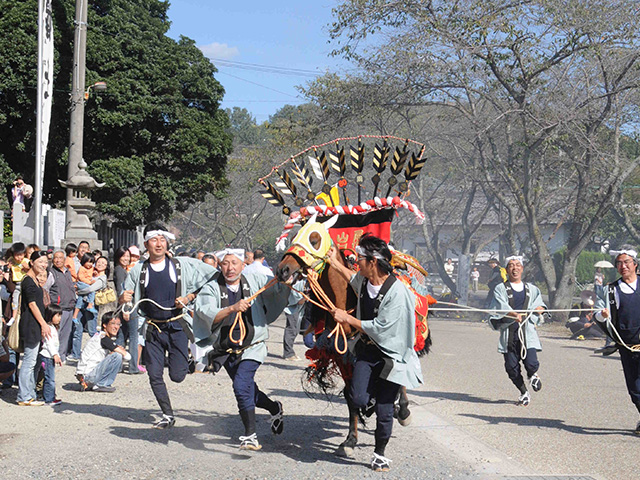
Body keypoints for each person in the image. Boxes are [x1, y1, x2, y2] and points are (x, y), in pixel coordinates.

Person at [327, 234, 424, 472]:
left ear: (373, 262)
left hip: (391, 358)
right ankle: (382, 404)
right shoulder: (365, 281)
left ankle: (379, 453)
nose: (356, 262)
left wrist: (347, 318)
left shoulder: (397, 293)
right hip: (368, 353)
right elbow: (352, 279)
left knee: (383, 411)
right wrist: (335, 264)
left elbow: (381, 328)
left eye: (360, 259)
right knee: (358, 398)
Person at [120, 222, 216, 428]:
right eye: (154, 240)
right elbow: (126, 297)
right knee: (154, 375)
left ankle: (187, 361)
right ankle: (168, 414)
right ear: (146, 243)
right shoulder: (138, 270)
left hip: (177, 326)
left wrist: (190, 296)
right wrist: (124, 300)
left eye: (162, 239)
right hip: (153, 329)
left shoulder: (182, 265)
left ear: (167, 242)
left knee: (177, 376)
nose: (159, 244)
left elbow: (213, 276)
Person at [194, 248, 290, 450]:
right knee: (247, 388)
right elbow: (206, 311)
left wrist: (288, 283)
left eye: (234, 263)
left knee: (240, 386)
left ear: (243, 265)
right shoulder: (211, 287)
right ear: (220, 266)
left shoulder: (254, 280)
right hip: (226, 349)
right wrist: (231, 308)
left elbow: (276, 289)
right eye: (225, 263)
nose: (230, 268)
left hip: (252, 346)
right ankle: (274, 407)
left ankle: (250, 435)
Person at [488, 256, 546, 406]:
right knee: (511, 368)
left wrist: (540, 309)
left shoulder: (532, 289)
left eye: (518, 265)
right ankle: (523, 392)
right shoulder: (500, 289)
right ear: (506, 270)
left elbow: (540, 304)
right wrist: (513, 314)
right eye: (511, 265)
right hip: (510, 334)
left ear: (522, 268)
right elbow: (499, 307)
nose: (515, 268)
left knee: (531, 362)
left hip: (527, 333)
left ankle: (533, 375)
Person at [594, 249, 640, 433]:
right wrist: (602, 314)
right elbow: (598, 311)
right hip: (626, 342)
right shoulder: (611, 290)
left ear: (635, 264)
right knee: (634, 386)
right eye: (619, 263)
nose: (623, 266)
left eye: (627, 262)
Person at [17, 251, 51, 406]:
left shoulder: (35, 281)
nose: (44, 265)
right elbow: (32, 304)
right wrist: (43, 323)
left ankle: (29, 394)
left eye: (45, 262)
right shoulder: (28, 281)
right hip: (31, 324)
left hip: (35, 324)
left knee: (33, 361)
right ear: (31, 262)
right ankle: (23, 396)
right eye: (40, 262)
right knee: (29, 362)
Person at [76, 311, 130, 392]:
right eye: (113, 323)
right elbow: (127, 356)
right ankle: (102, 384)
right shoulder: (103, 338)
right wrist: (121, 351)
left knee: (115, 355)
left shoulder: (100, 336)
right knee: (117, 356)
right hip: (88, 376)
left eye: (118, 324)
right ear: (104, 325)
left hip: (85, 375)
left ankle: (97, 384)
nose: (116, 327)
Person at [48, 250, 76, 362]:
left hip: (70, 306)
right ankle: (54, 356)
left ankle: (62, 355)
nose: (58, 260)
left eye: (60, 258)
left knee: (66, 334)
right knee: (56, 334)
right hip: (58, 308)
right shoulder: (51, 273)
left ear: (64, 259)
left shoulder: (68, 272)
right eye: (55, 258)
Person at [36, 304, 63, 405]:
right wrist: (55, 355)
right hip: (47, 356)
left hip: (50, 356)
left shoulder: (53, 328)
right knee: (50, 378)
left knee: (49, 377)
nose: (59, 318)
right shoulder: (48, 328)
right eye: (57, 316)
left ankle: (48, 396)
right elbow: (49, 343)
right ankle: (49, 399)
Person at [113, 246, 131, 349]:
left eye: (128, 256)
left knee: (123, 333)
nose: (126, 258)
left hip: (124, 305)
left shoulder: (123, 269)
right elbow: (120, 289)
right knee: (122, 334)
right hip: (123, 305)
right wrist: (124, 308)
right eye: (123, 256)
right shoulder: (119, 270)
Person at [283, 280, 305, 361]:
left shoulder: (303, 282)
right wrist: (307, 297)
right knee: (291, 330)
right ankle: (288, 354)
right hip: (292, 310)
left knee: (295, 330)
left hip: (298, 310)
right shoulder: (296, 285)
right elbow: (299, 301)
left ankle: (290, 352)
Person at [72, 252, 97, 323]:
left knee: (80, 300)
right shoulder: (82, 268)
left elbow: (93, 273)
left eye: (91, 262)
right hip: (81, 283)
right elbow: (81, 277)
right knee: (92, 290)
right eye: (88, 262)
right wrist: (89, 283)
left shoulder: (92, 268)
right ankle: (90, 304)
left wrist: (95, 273)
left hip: (84, 284)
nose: (90, 264)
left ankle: (74, 316)